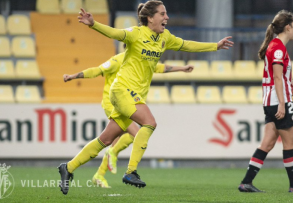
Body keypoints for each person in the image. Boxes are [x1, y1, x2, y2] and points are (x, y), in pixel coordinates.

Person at [58, 0, 233, 195]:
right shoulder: (135, 33)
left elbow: (186, 45)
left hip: (132, 94)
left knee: (105, 140)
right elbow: (115, 33)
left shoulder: (164, 37)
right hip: (122, 90)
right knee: (149, 123)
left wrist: (214, 46)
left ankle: (68, 167)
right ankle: (131, 171)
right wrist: (93, 24)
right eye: (162, 13)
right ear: (150, 18)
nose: (166, 17)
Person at [63, 51, 195, 188]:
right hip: (113, 102)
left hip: (128, 100)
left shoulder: (141, 60)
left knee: (112, 139)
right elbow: (97, 70)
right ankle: (120, 162)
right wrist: (73, 76)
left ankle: (93, 172)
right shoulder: (117, 60)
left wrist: (182, 68)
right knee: (139, 133)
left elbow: (159, 67)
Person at [238, 10, 293, 193]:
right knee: (290, 145)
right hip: (279, 101)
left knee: (267, 144)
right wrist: (282, 104)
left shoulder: (273, 46)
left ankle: (246, 182)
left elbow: (280, 78)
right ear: (287, 27)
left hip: (270, 102)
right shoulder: (279, 48)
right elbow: (278, 78)